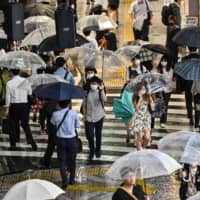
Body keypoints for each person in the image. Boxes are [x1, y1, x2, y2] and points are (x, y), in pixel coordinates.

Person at [5, 69, 37, 151]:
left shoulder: (9, 83)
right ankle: (32, 142)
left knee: (13, 125)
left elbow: (8, 97)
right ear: (19, 72)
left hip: (14, 105)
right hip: (24, 105)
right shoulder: (26, 81)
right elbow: (30, 93)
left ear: (11, 73)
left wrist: (7, 108)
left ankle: (13, 144)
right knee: (25, 125)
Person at [51, 100, 80, 188]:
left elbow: (52, 123)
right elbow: (77, 125)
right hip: (71, 139)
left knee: (62, 161)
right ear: (68, 104)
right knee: (72, 160)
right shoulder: (73, 113)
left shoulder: (55, 114)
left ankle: (64, 181)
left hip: (60, 139)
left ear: (59, 104)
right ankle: (72, 180)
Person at [83, 76, 107, 160]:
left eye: (95, 83)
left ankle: (98, 151)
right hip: (89, 117)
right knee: (90, 135)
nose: (93, 85)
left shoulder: (100, 91)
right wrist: (84, 116)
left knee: (98, 134)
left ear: (98, 84)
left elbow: (105, 99)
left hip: (99, 116)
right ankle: (92, 150)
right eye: (92, 83)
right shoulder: (86, 93)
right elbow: (84, 105)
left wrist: (102, 90)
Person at [181, 47, 200, 126]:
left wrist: (181, 87)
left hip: (187, 82)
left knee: (188, 100)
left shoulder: (184, 59)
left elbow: (182, 73)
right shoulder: (199, 58)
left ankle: (190, 118)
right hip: (197, 82)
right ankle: (197, 118)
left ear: (188, 48)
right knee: (197, 101)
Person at [132, 84, 153, 150]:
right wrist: (140, 99)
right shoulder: (135, 97)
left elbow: (152, 108)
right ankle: (139, 152)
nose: (143, 91)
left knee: (147, 138)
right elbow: (136, 109)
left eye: (144, 89)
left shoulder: (148, 96)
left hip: (146, 118)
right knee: (140, 136)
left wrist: (152, 103)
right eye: (141, 89)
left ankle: (143, 149)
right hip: (138, 118)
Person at [121, 70, 138, 144]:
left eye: (134, 77)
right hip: (126, 107)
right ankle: (128, 134)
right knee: (128, 124)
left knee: (135, 123)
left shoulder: (138, 86)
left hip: (135, 107)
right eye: (132, 77)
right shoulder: (126, 85)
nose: (133, 79)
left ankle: (135, 138)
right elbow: (121, 95)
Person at [157, 55, 173, 128]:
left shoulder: (170, 70)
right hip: (160, 90)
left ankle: (163, 121)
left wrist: (164, 70)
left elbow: (168, 79)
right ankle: (161, 120)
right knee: (161, 105)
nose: (163, 62)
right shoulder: (158, 69)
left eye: (165, 61)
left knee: (165, 105)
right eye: (162, 61)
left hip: (167, 90)